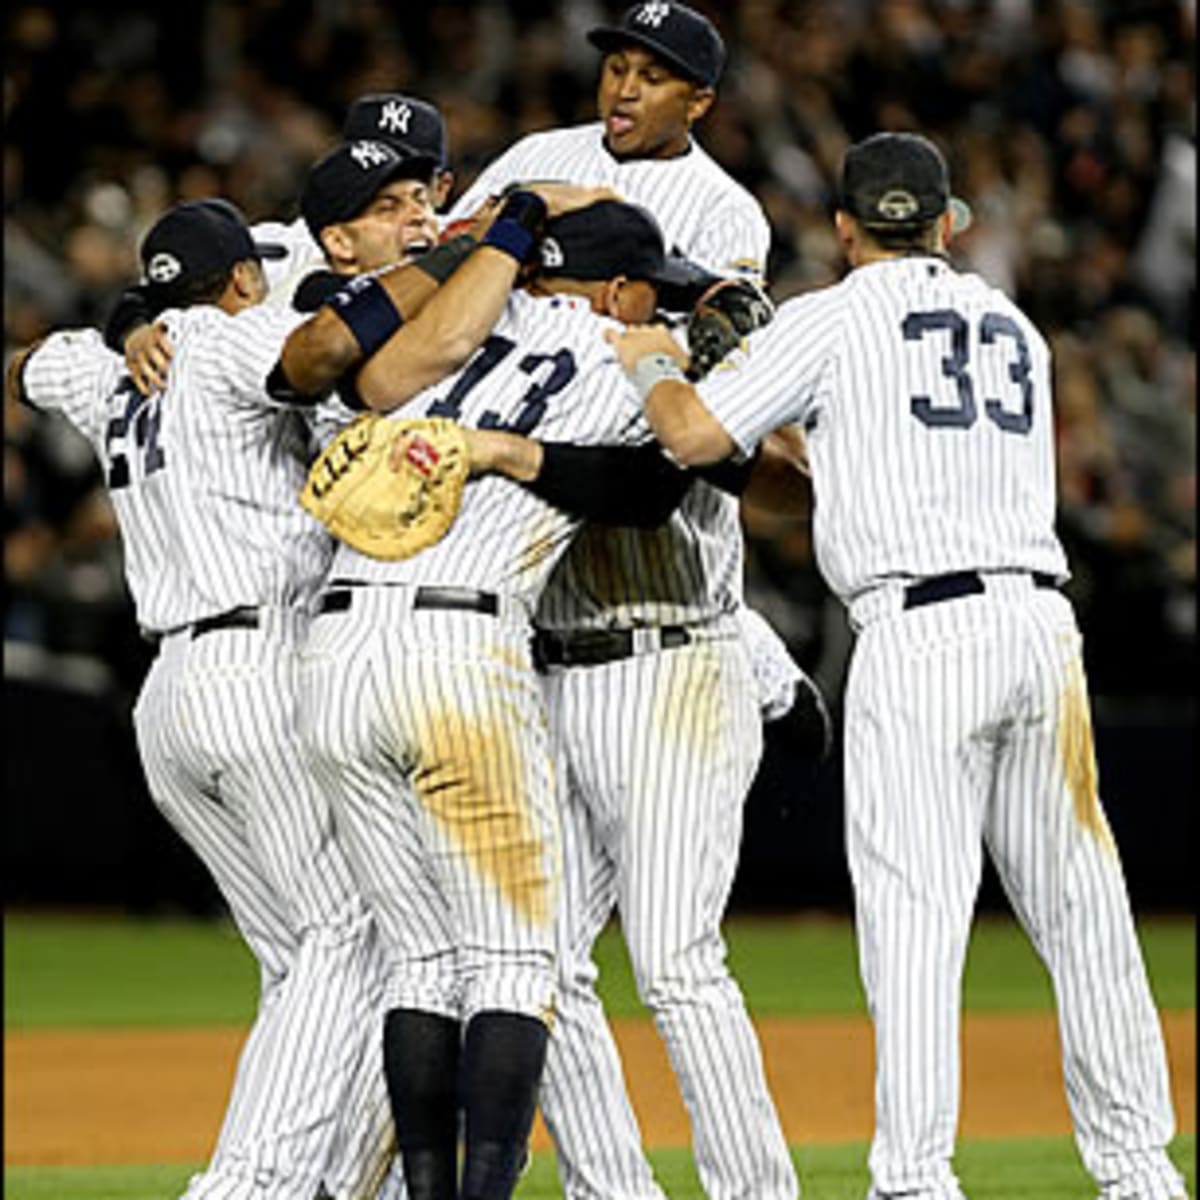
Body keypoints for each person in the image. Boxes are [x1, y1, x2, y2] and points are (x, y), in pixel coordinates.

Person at [609, 131, 1190, 1200]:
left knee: (914, 918)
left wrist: (647, 355)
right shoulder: (1016, 326)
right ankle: (1140, 1172)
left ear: (841, 227)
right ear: (946, 222)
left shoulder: (829, 318)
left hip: (920, 637)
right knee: (1084, 911)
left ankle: (916, 1180)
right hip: (1038, 630)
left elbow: (689, 437)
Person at [297, 198, 724, 1200]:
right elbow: (656, 488)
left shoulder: (451, 331)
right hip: (461, 649)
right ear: (619, 288)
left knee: (419, 962)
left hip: (336, 647)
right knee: (514, 963)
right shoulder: (618, 344)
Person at [447, 5, 801, 1197]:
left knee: (677, 963)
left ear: (700, 101)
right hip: (539, 639)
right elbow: (443, 283)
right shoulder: (529, 166)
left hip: (667, 638)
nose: (625, 87)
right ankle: (616, 1190)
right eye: (618, 64)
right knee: (540, 964)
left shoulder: (725, 214)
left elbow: (709, 398)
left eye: (655, 76)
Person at [9, 199, 386, 1200]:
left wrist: (131, 324)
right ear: (239, 280)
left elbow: (23, 365)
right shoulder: (232, 338)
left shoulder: (110, 369)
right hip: (258, 666)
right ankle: (246, 1186)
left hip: (168, 697)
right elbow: (319, 354)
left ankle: (334, 1180)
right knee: (349, 933)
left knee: (296, 956)